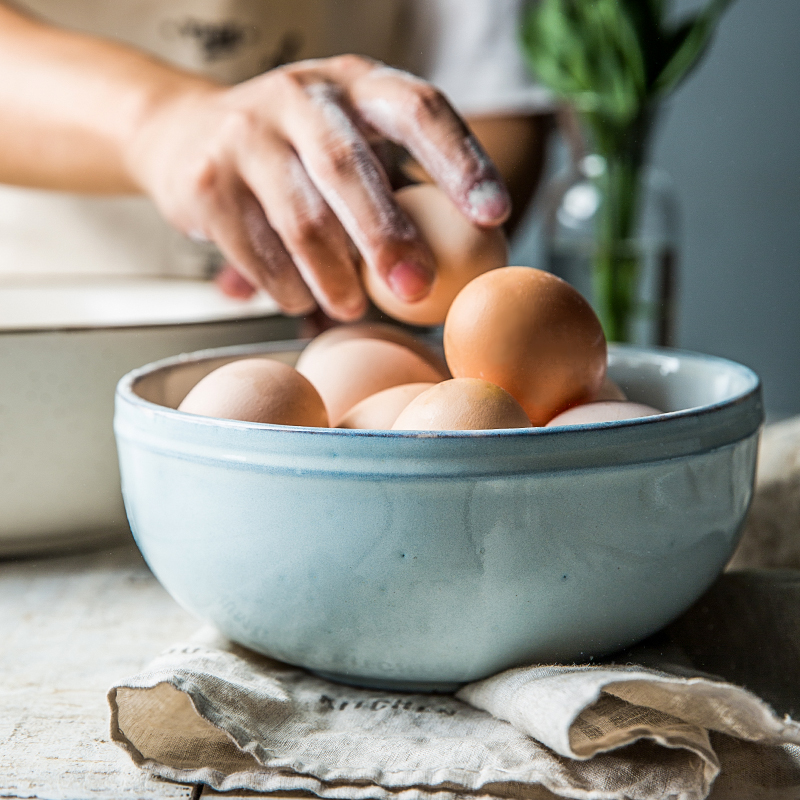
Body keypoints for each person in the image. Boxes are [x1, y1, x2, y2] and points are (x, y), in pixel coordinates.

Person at [0, 0, 553, 322]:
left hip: (310, 340)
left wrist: (378, 237)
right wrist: (162, 124)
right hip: (37, 319)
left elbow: (490, 100)